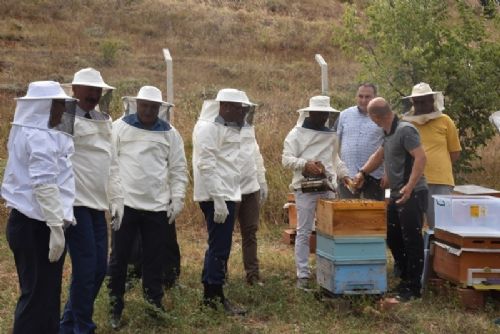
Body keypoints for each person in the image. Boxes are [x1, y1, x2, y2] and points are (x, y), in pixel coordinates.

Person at [107, 86, 187, 329]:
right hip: (126, 205)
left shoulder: (170, 133)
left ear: (160, 109)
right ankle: (115, 307)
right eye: (145, 105)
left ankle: (154, 306)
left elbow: (178, 168)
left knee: (155, 259)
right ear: (137, 104)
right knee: (119, 258)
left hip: (157, 208)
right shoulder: (120, 127)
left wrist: (178, 197)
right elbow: (110, 165)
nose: (149, 110)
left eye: (154, 107)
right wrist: (115, 199)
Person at [1, 81, 77, 333]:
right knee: (36, 297)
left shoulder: (36, 132)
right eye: (57, 104)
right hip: (36, 226)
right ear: (44, 106)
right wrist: (55, 226)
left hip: (37, 223)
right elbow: (44, 184)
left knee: (47, 296)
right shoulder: (37, 135)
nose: (61, 110)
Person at [60, 68, 124, 334]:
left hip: (98, 205)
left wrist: (117, 198)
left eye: (97, 90)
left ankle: (67, 325)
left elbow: (111, 163)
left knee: (99, 268)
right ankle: (83, 328)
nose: (93, 94)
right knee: (86, 268)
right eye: (88, 89)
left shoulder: (104, 120)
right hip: (75, 204)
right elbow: (57, 158)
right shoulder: (63, 117)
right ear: (74, 90)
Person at [354, 97, 428, 301]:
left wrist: (409, 187)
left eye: (370, 116)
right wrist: (362, 173)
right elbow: (380, 156)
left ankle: (414, 288)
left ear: (376, 116)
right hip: (395, 194)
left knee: (412, 239)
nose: (371, 120)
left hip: (412, 193)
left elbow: (421, 157)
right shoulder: (387, 132)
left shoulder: (406, 130)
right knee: (393, 236)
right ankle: (404, 278)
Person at [192, 88, 253, 315]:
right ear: (226, 107)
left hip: (225, 193)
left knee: (218, 245)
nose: (243, 114)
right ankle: (214, 297)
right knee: (220, 247)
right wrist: (218, 199)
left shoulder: (222, 126)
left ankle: (211, 293)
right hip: (216, 196)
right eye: (240, 109)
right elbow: (205, 164)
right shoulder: (209, 128)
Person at [282, 95, 349, 290]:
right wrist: (305, 164)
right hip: (305, 188)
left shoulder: (330, 134)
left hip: (328, 187)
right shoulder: (296, 133)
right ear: (310, 113)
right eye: (319, 114)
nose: (323, 117)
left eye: (325, 114)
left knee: (328, 230)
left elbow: (334, 159)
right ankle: (302, 274)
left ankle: (326, 270)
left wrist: (345, 175)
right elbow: (286, 159)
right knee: (304, 231)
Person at [402, 83, 461, 229]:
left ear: (432, 100)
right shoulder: (405, 124)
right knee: (413, 226)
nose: (420, 105)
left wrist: (438, 166)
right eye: (417, 102)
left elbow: (455, 151)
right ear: (412, 103)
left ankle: (438, 252)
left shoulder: (445, 120)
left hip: (440, 181)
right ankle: (419, 252)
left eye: (424, 101)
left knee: (440, 227)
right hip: (412, 181)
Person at [236, 104, 267, 285]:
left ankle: (253, 276)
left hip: (251, 188)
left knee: (250, 233)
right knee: (222, 237)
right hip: (229, 190)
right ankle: (219, 276)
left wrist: (261, 181)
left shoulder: (248, 130)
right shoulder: (217, 129)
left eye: (244, 110)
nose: (242, 113)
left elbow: (256, 156)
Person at [337, 83, 385, 200]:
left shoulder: (383, 117)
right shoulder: (344, 115)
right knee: (348, 213)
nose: (363, 100)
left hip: (375, 175)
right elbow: (334, 144)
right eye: (360, 96)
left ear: (375, 97)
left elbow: (390, 147)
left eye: (367, 97)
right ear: (356, 97)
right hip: (348, 175)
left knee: (374, 213)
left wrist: (387, 173)